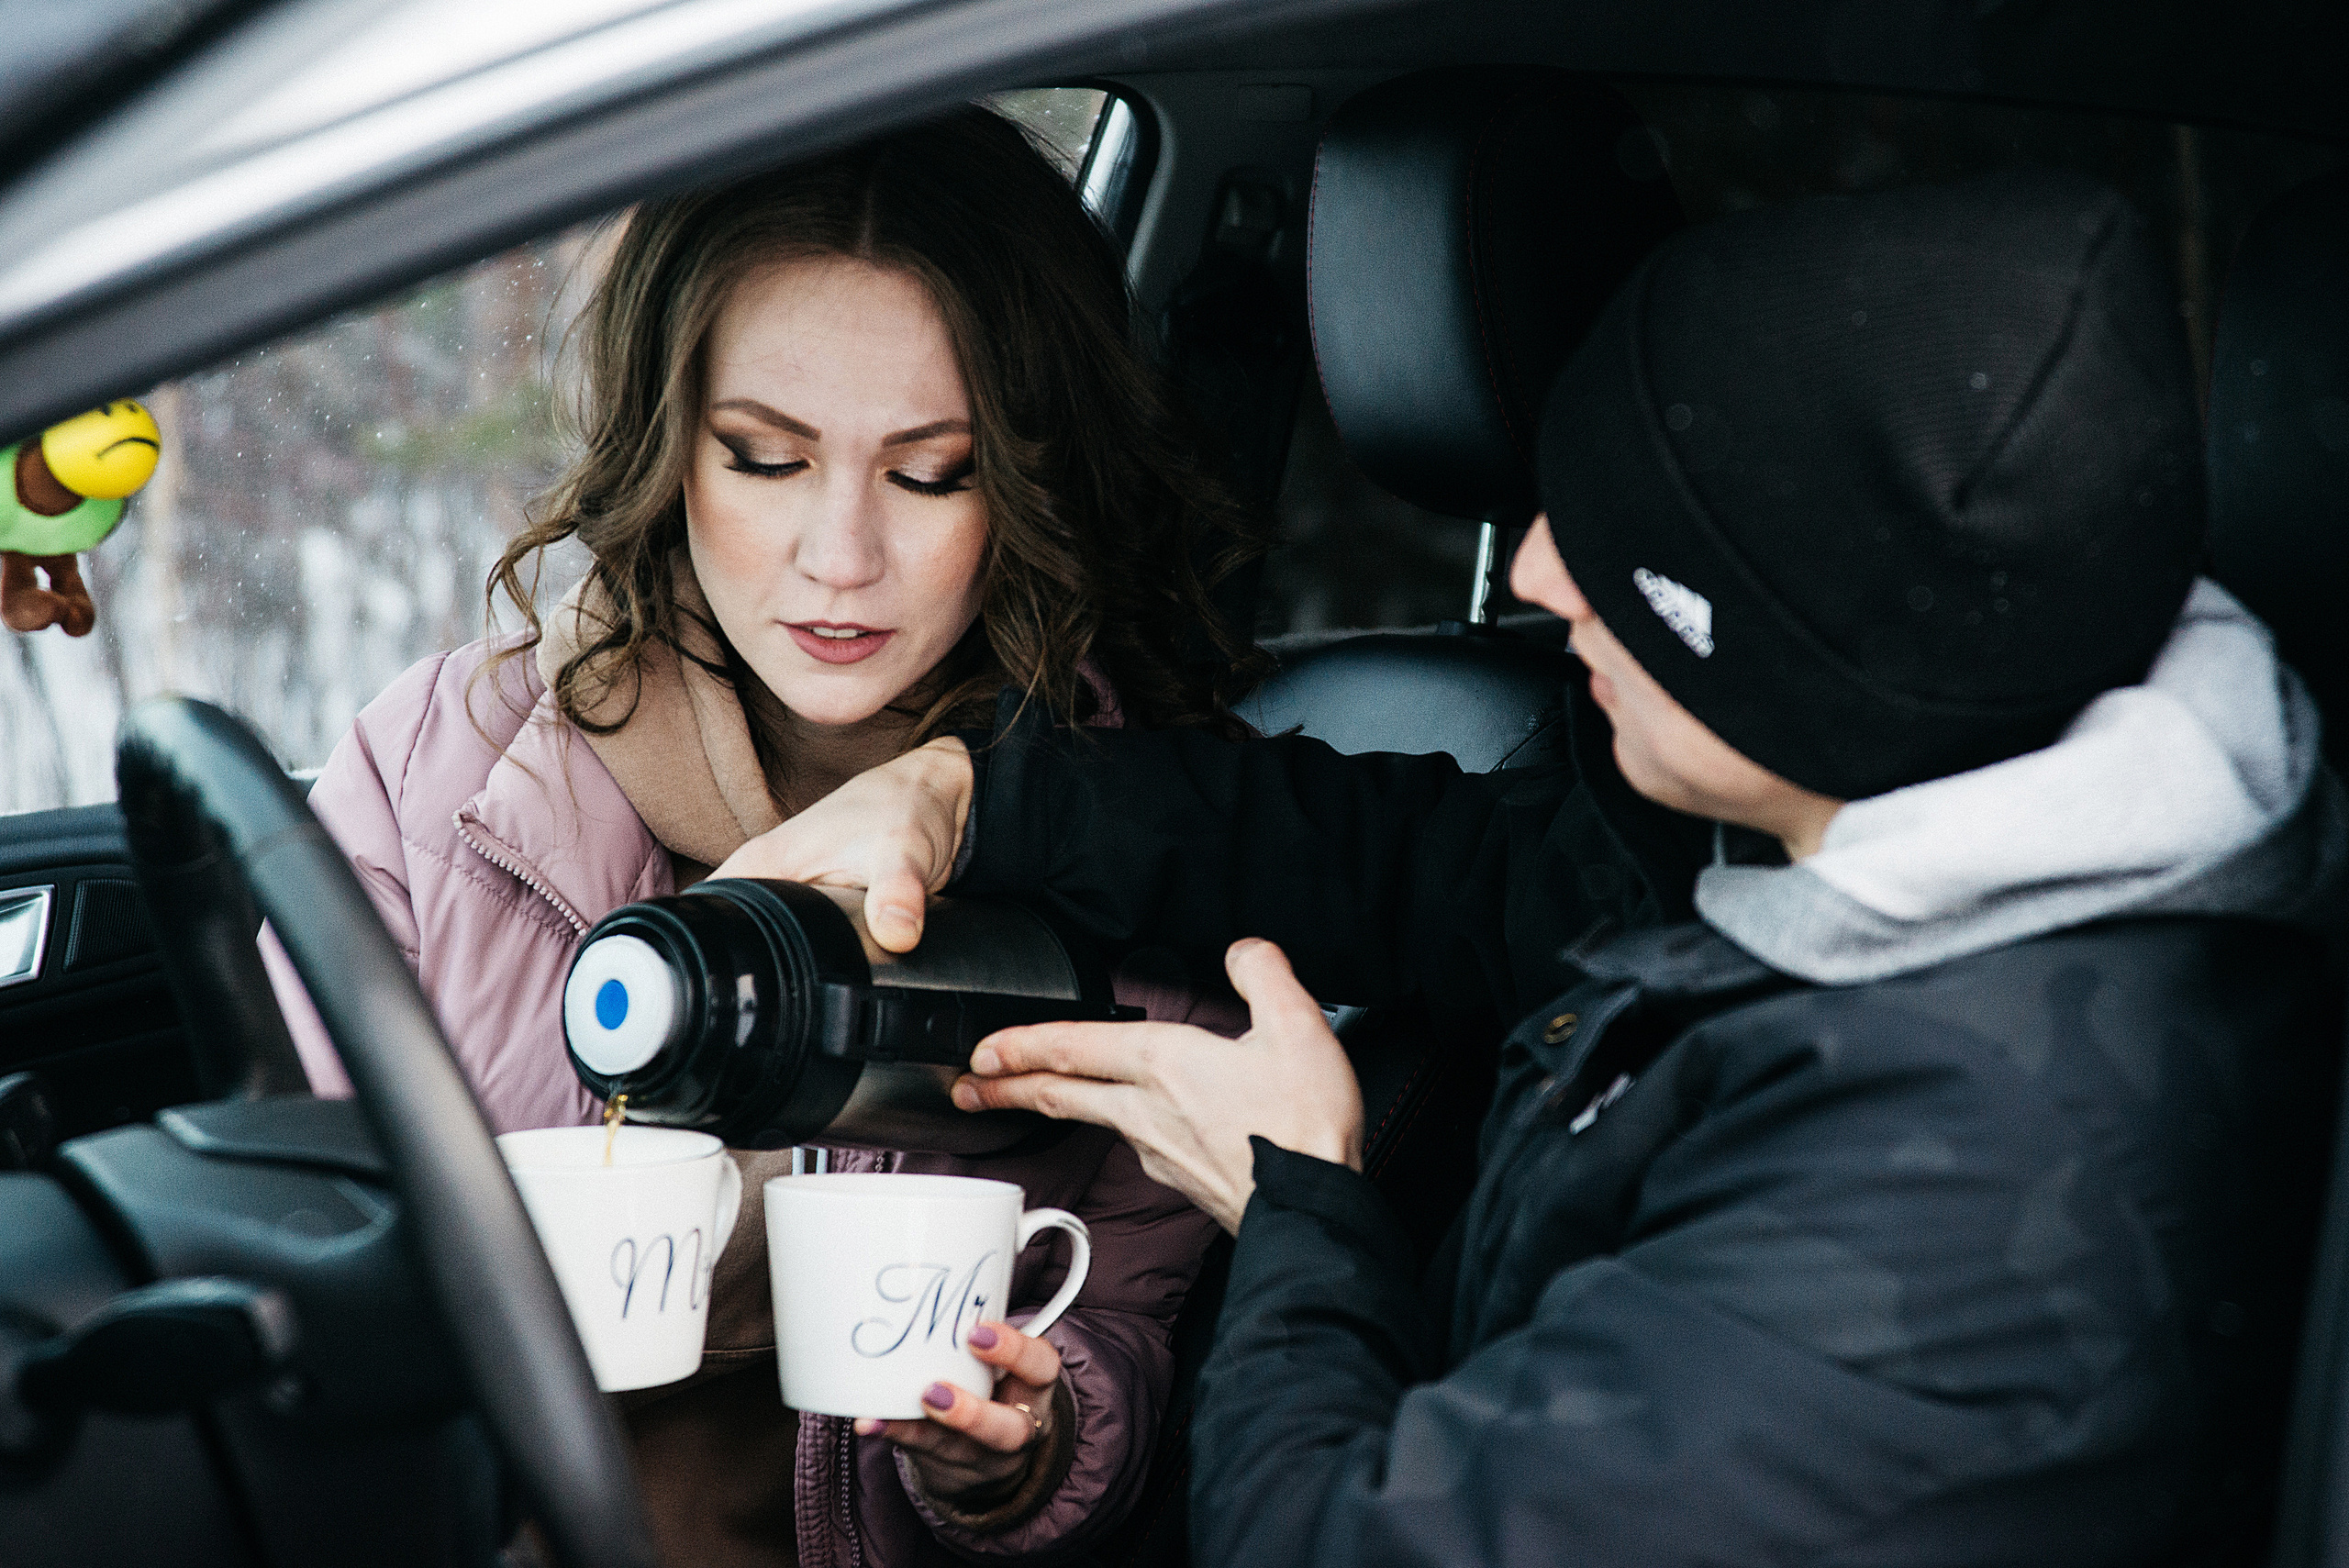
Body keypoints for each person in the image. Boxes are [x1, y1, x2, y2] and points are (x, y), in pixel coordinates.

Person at [715, 170, 2348, 1564]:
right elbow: (1448, 868)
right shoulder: (1845, 827)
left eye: (1632, 555)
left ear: (1796, 652)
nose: (1540, 581)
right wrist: (977, 801)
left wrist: (1301, 1200)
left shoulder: (1959, 1198)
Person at [262, 108, 1257, 1567]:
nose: (839, 557)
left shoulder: (1151, 859)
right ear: (671, 455)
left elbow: (1123, 1353)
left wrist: (1020, 1451)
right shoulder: (443, 768)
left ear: (1034, 484)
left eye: (929, 473)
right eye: (763, 458)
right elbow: (304, 1232)